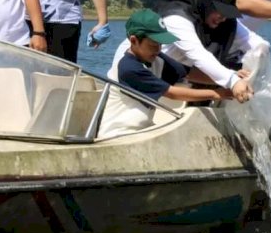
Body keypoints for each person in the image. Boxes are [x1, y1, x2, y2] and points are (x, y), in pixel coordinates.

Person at [98, 9, 233, 138]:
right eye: (153, 45)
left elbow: (190, 73)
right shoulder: (129, 68)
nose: (158, 49)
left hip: (143, 129)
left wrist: (228, 78)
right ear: (134, 41)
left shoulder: (157, 58)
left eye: (160, 44)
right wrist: (217, 94)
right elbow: (172, 93)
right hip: (120, 133)